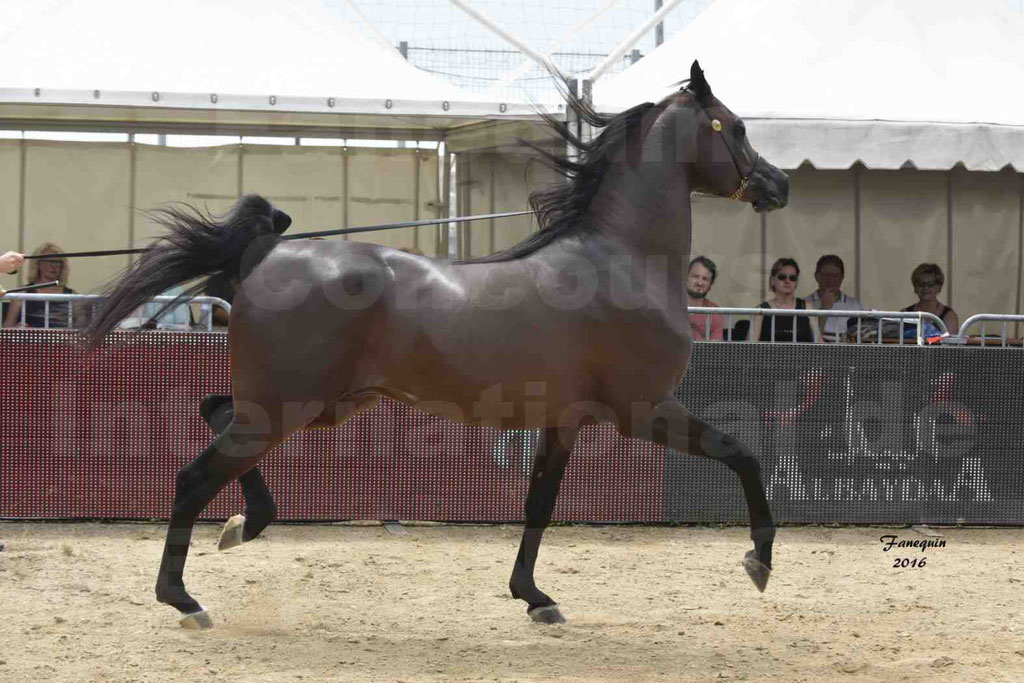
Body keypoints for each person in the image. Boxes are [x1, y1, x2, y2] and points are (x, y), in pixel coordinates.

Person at [3, 243, 76, 328]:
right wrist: (17, 330)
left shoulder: (72, 296)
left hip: (62, 340)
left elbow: (83, 329)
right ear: (38, 264)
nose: (54, 266)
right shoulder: (22, 293)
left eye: (58, 262)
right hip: (30, 340)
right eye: (49, 261)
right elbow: (7, 327)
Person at [752, 257, 819, 343]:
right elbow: (749, 347)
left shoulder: (807, 308)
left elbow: (820, 343)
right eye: (782, 277)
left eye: (792, 278)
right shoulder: (760, 311)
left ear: (796, 282)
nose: (787, 281)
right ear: (772, 280)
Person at [804, 254, 865, 342]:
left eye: (835, 276)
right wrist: (824, 308)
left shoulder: (855, 306)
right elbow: (808, 341)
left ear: (842, 279)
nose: (831, 280)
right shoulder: (804, 304)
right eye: (827, 275)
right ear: (817, 276)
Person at [903, 263, 959, 333]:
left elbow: (950, 342)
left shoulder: (949, 316)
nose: (925, 288)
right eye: (920, 284)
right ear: (915, 287)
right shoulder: (904, 313)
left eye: (930, 284)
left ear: (939, 288)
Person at [685, 255, 726, 341]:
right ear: (685, 277)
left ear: (710, 285)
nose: (700, 283)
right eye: (695, 276)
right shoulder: (671, 307)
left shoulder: (715, 312)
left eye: (705, 279)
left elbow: (714, 349)